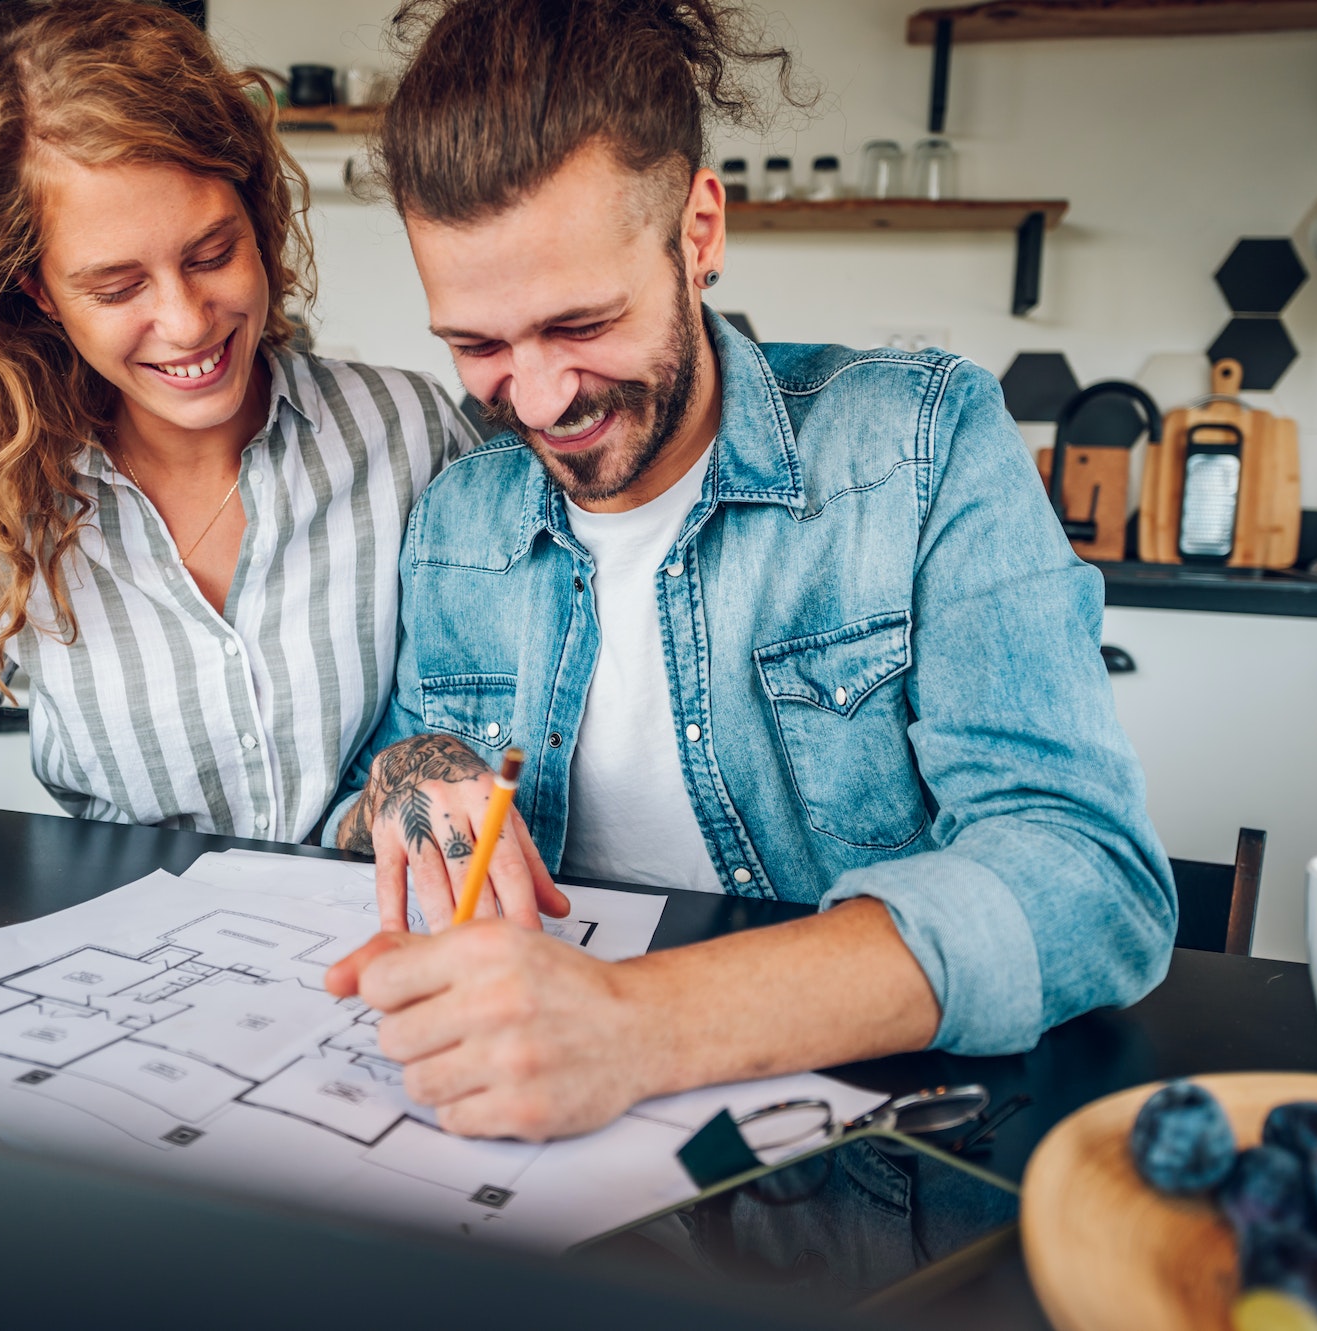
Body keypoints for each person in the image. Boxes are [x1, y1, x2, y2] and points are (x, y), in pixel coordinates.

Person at [324, 0, 1176, 1141]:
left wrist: (636, 1023)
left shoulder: (921, 446)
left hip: (879, 1151)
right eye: (476, 345)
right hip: (535, 1154)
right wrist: (414, 774)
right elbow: (405, 761)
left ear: (698, 230)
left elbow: (1086, 879)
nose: (533, 400)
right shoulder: (458, 516)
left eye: (581, 322)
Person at [0, 0, 478, 889]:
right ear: (37, 290)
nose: (188, 322)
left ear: (255, 214)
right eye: (117, 286)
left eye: (211, 252)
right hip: (141, 958)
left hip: (388, 926)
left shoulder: (407, 431)